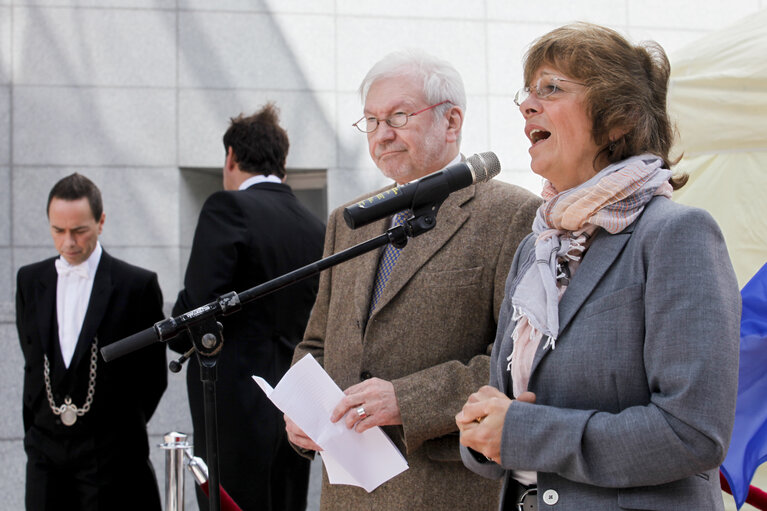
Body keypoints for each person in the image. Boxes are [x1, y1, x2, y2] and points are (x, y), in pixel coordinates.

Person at [456, 22, 741, 510]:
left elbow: (693, 432)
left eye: (552, 89)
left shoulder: (678, 234)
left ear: (619, 120)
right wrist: (480, 433)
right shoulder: (537, 247)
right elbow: (506, 406)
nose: (527, 104)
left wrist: (524, 432)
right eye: (527, 92)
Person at [285, 49, 541, 510]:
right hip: (345, 493)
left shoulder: (512, 214)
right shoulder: (348, 220)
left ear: (451, 121)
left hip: (443, 490)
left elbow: (518, 363)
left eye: (398, 116)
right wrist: (301, 416)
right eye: (371, 121)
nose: (382, 134)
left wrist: (408, 399)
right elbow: (317, 344)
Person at [171, 103, 325, 511]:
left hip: (232, 406)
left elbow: (196, 311)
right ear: (282, 163)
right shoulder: (317, 227)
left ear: (231, 158)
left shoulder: (228, 208)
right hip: (294, 404)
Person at [16, 173, 167, 511]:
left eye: (79, 230)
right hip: (43, 451)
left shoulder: (136, 285)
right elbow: (33, 358)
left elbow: (153, 378)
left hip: (109, 457)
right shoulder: (29, 280)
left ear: (101, 221)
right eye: (58, 231)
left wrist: (118, 434)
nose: (68, 241)